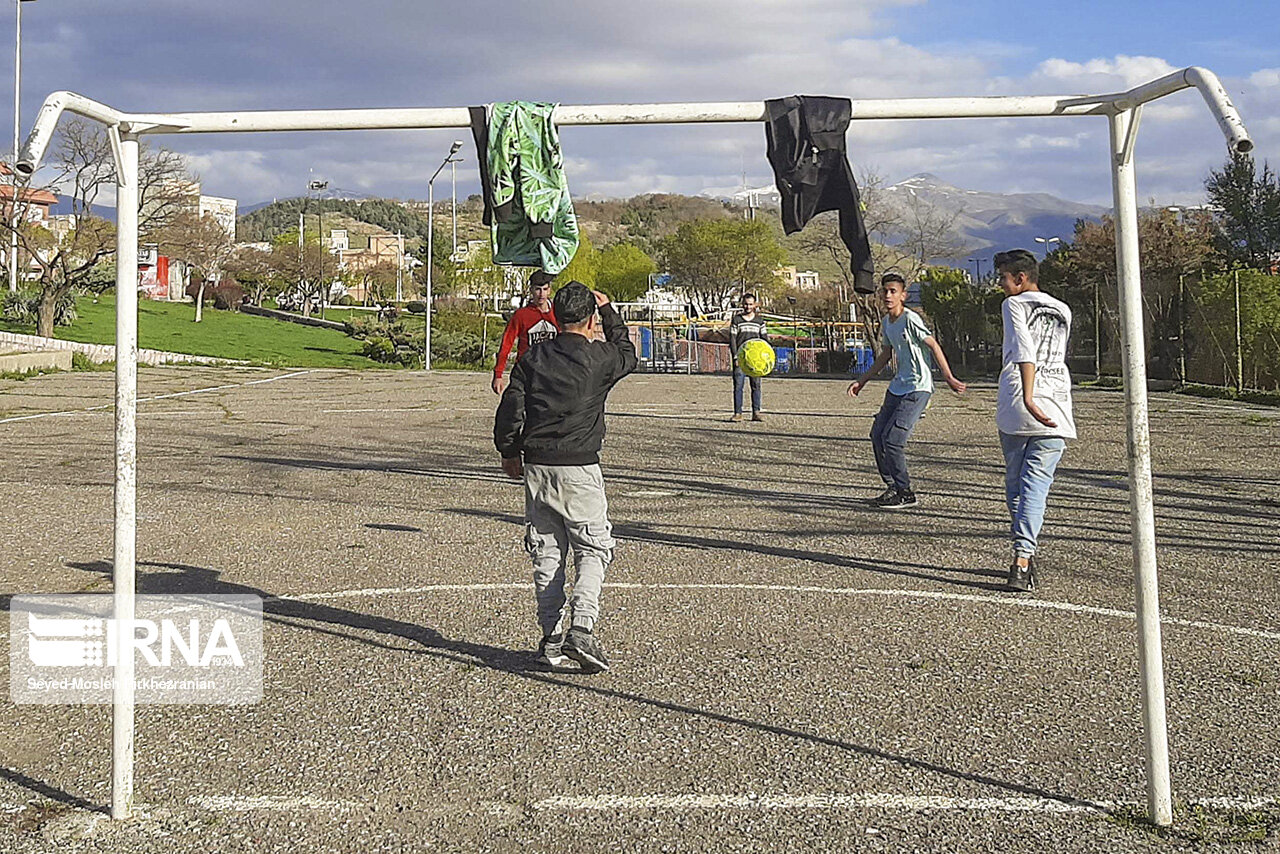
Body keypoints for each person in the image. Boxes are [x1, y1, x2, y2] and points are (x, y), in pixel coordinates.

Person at [494, 282, 637, 673]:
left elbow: (511, 405)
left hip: (538, 466)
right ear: (590, 319)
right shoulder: (601, 358)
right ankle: (582, 627)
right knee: (593, 548)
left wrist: (509, 451)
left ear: (555, 317)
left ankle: (551, 637)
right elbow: (629, 355)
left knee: (547, 552)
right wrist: (610, 313)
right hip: (580, 467)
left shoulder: (535, 356)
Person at [993, 249, 1075, 592]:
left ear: (1020, 278)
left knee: (1017, 486)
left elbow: (1025, 351)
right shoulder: (1063, 308)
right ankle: (1024, 556)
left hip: (1020, 401)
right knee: (1036, 487)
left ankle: (1022, 558)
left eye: (1003, 277)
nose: (1000, 284)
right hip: (1057, 404)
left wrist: (1028, 395)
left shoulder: (1014, 304)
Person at [847, 272, 966, 508]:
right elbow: (885, 356)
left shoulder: (910, 319)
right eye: (885, 291)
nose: (888, 295)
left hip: (917, 387)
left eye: (893, 291)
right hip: (898, 386)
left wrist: (949, 377)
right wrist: (862, 380)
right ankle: (892, 487)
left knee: (893, 439)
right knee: (877, 436)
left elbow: (933, 345)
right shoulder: (886, 322)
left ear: (903, 295)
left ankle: (905, 492)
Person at [492, 270, 560, 394]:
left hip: (551, 371)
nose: (541, 294)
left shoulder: (558, 313)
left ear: (549, 290)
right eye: (538, 289)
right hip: (526, 371)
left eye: (545, 289)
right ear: (531, 290)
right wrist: (498, 374)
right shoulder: (521, 315)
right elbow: (507, 343)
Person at [728, 292, 768, 422]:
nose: (748, 306)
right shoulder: (736, 320)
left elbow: (765, 341)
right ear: (742, 304)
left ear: (755, 305)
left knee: (756, 386)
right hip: (741, 360)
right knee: (738, 386)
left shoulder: (759, 321)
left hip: (756, 361)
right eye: (745, 304)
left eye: (750, 304)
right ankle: (738, 413)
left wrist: (766, 359)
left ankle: (756, 412)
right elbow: (732, 340)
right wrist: (735, 357)